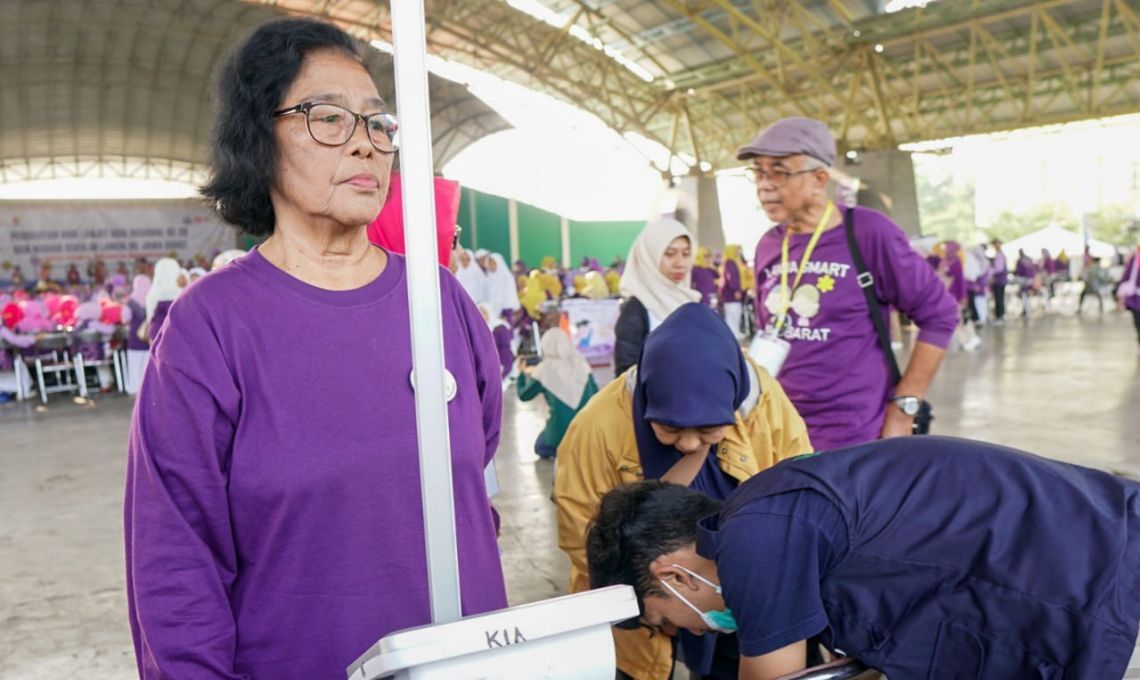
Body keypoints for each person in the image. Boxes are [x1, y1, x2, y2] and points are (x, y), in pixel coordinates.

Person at [124, 19, 506, 679]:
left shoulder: (439, 304)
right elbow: (175, 561)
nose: (365, 145)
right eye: (328, 118)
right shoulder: (210, 328)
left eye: (377, 124)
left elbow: (474, 478)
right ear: (259, 139)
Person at [587, 436, 1140, 680]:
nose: (698, 633)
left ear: (673, 575)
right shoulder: (765, 507)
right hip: (1085, 542)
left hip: (1096, 566)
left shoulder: (755, 536)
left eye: (666, 621)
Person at [556, 303, 812, 680]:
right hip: (644, 607)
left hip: (736, 594)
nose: (690, 444)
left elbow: (797, 498)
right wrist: (654, 602)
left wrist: (728, 594)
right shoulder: (597, 428)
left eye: (709, 429)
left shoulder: (763, 405)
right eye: (669, 429)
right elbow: (584, 536)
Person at [741, 117, 958, 451]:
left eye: (780, 171)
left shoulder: (869, 233)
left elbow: (940, 315)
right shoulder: (768, 245)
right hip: (779, 431)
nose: (764, 185)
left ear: (819, 179)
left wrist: (904, 410)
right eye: (758, 171)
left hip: (854, 436)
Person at [613, 218, 700, 376]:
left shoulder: (690, 302)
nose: (680, 263)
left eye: (686, 254)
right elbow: (625, 376)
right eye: (669, 254)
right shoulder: (637, 309)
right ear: (649, 257)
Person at [517, 327, 599, 459]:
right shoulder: (581, 363)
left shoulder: (544, 369)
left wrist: (521, 373)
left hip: (559, 434)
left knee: (540, 446)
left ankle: (563, 452)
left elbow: (524, 396)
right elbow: (596, 394)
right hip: (587, 434)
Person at [143, 257, 183, 343]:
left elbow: (149, 317)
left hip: (156, 334)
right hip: (178, 336)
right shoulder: (182, 293)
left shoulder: (153, 293)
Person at [123, 274, 150, 395]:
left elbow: (125, 318)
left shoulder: (131, 301)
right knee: (147, 361)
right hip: (147, 334)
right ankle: (147, 388)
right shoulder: (151, 297)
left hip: (135, 335)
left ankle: (134, 388)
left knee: (134, 363)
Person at [484, 252, 521, 321]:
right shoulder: (489, 278)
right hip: (493, 310)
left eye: (493, 263)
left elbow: (506, 296)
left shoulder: (506, 277)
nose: (491, 265)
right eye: (489, 263)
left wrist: (499, 312)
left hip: (507, 309)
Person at [720, 245, 747, 338]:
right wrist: (736, 290)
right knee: (733, 313)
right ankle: (733, 333)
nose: (738, 253)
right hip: (731, 294)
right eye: (736, 251)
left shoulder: (732, 262)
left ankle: (735, 331)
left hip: (731, 293)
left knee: (735, 312)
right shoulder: (730, 262)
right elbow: (731, 277)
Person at [1118, 244, 1140, 348]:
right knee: (1138, 321)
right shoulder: (1134, 259)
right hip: (1136, 297)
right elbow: (1126, 276)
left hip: (1135, 298)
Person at [989, 238, 1008, 324]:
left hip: (999, 280)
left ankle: (999, 316)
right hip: (1000, 280)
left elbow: (998, 268)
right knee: (999, 298)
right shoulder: (999, 254)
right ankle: (1000, 315)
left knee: (999, 298)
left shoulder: (1000, 255)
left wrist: (990, 272)